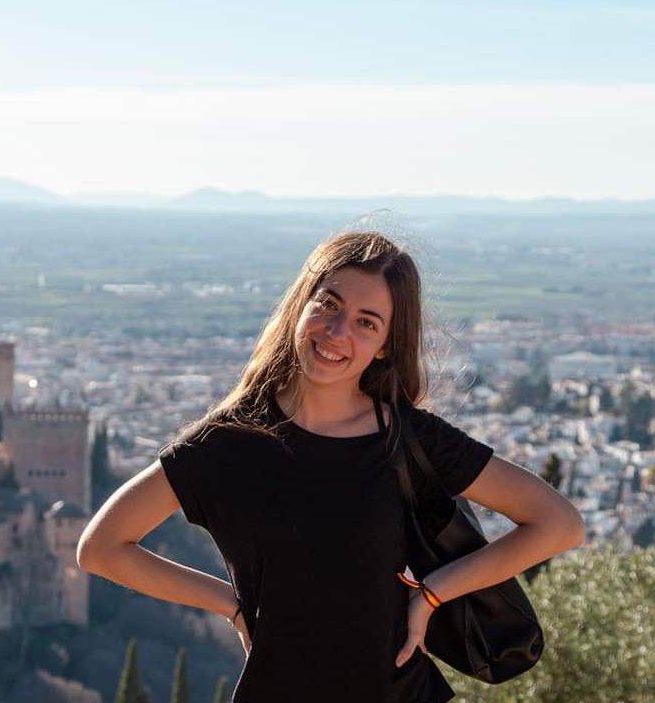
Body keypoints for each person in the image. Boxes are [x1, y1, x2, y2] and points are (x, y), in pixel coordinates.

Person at [76, 230, 585, 702]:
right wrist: (229, 604)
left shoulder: (409, 439)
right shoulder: (228, 442)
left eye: (367, 322)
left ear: (385, 343)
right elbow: (101, 548)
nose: (338, 332)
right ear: (302, 305)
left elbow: (559, 524)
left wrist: (433, 594)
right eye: (329, 304)